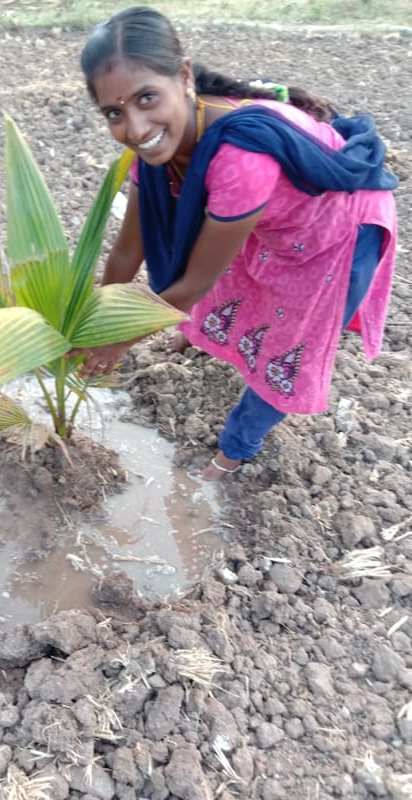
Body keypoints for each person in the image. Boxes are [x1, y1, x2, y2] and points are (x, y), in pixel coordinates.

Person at [78, 6, 398, 480]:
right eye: (114, 112)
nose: (136, 127)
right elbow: (128, 251)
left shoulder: (239, 159)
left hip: (337, 231)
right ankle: (201, 340)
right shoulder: (154, 152)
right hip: (271, 221)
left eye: (147, 98)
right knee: (234, 281)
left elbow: (193, 285)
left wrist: (116, 343)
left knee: (290, 346)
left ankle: (236, 448)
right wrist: (92, 327)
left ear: (183, 76)